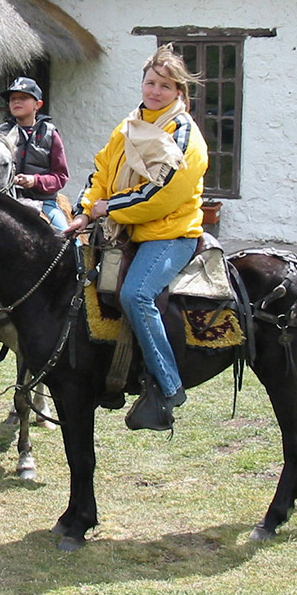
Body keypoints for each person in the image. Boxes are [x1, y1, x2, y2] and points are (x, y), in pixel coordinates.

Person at [64, 45, 208, 431]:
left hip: (169, 233)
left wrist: (108, 208)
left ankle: (168, 385)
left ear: (178, 91)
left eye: (165, 86)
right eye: (150, 83)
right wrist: (84, 211)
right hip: (126, 230)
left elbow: (163, 192)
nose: (155, 91)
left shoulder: (184, 135)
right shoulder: (129, 126)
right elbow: (101, 173)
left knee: (135, 294)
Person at [0, 76, 70, 231]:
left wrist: (35, 180)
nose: (16, 101)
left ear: (38, 104)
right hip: (5, 201)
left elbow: (60, 177)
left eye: (23, 97)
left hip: (43, 202)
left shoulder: (50, 133)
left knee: (67, 236)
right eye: (13, 98)